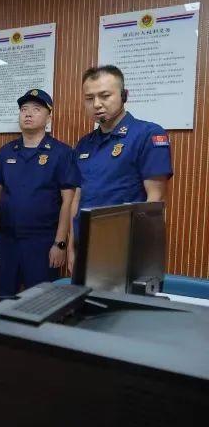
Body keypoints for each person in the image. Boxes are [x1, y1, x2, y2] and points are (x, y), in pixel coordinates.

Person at [68, 65, 173, 272]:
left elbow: (156, 199)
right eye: (89, 98)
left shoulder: (148, 134)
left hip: (126, 250)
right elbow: (78, 197)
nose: (96, 104)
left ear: (124, 95)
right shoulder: (84, 144)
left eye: (105, 96)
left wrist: (136, 252)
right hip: (85, 246)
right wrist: (72, 245)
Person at [0, 89, 79, 297]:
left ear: (48, 117)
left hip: (42, 243)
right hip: (6, 241)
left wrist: (60, 243)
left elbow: (68, 201)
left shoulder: (61, 153)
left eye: (36, 109)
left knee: (41, 303)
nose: (28, 114)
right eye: (24, 109)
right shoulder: (6, 151)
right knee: (3, 300)